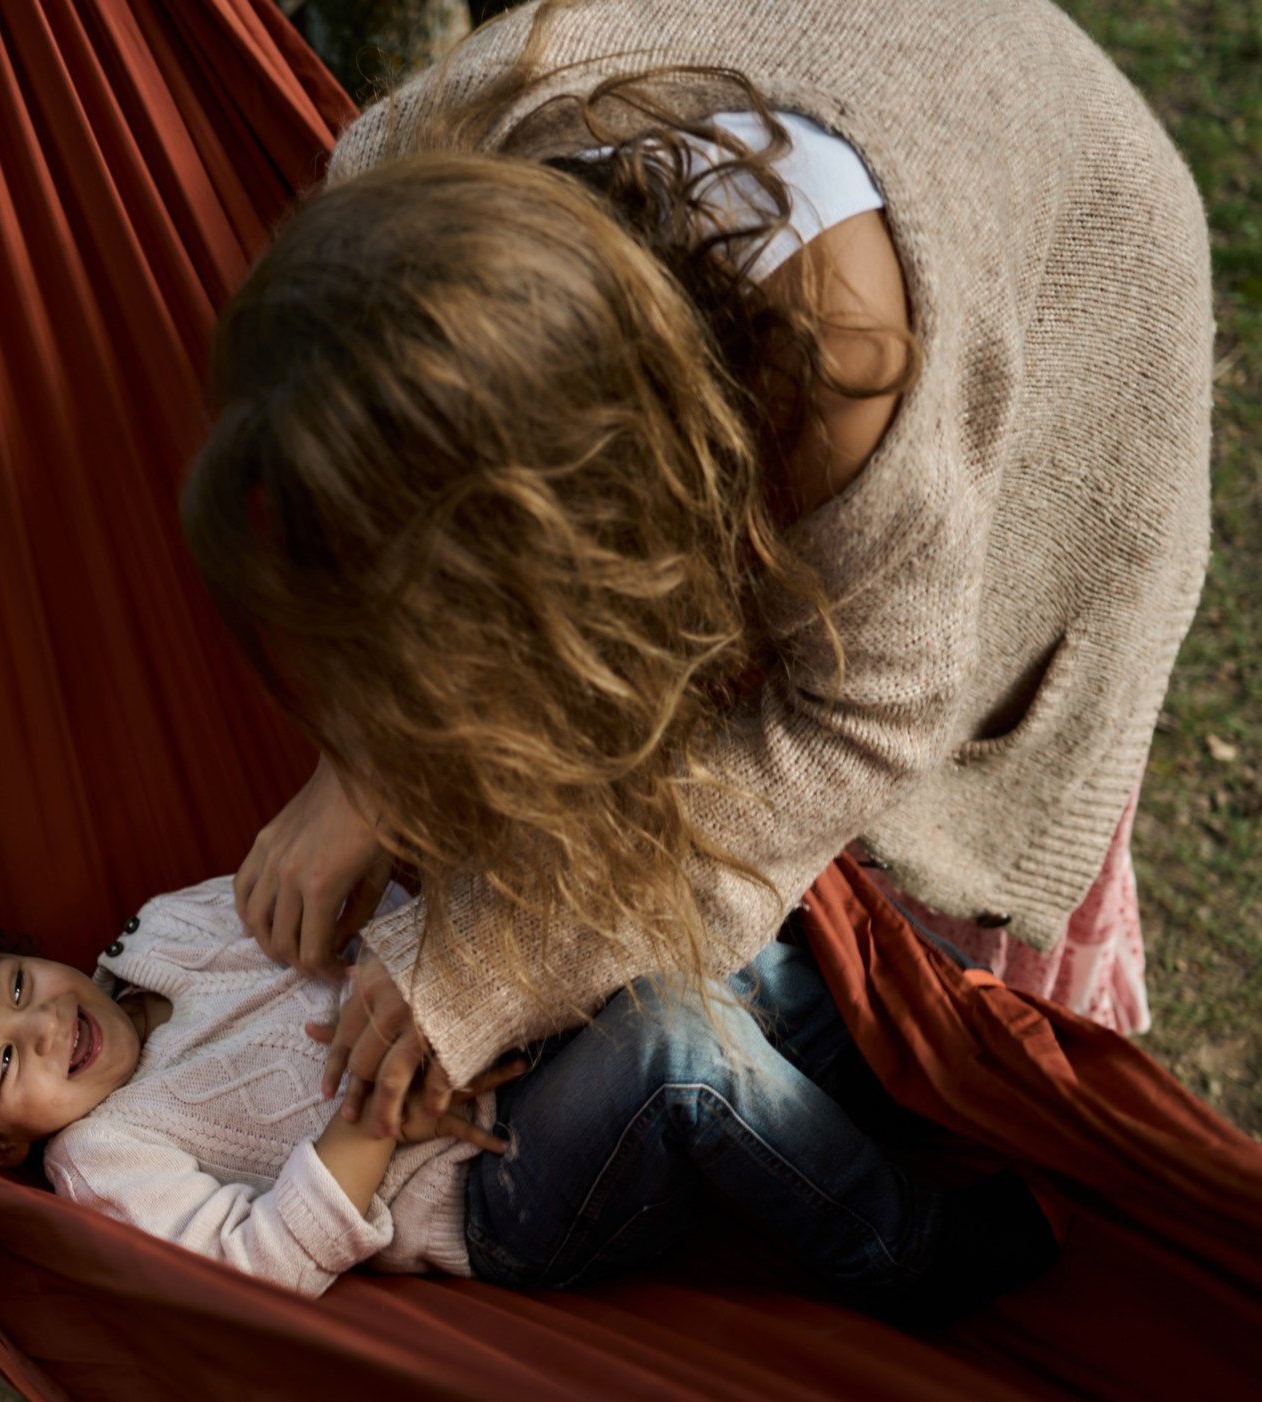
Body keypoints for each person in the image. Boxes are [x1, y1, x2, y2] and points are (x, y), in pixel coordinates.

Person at [178, 0, 1212, 1138]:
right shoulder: (396, 179)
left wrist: (492, 958)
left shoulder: (845, 374)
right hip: (816, 84)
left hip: (1075, 253)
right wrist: (362, 768)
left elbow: (864, 717)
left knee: (916, 905)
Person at [0, 878, 1059, 1316]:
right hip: (497, 1180)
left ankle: (890, 1088)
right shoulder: (102, 1157)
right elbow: (253, 1265)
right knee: (672, 1045)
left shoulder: (163, 931)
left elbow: (367, 908)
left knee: (711, 929)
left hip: (512, 1025)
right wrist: (368, 1119)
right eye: (8, 1061)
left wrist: (458, 995)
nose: (42, 1023)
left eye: (16, 985)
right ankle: (905, 1250)